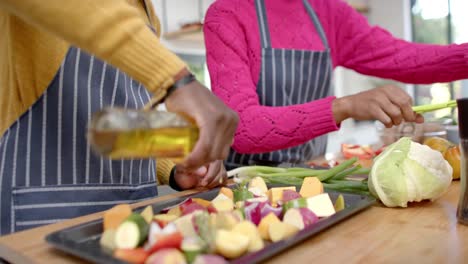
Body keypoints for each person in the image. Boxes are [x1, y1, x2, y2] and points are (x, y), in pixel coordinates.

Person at [0, 0, 238, 235]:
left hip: (133, 221)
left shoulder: (145, 12)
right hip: (44, 224)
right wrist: (175, 79)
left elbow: (118, 129)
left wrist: (176, 168)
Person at [204, 0, 468, 169]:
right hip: (243, 185)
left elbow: (406, 58)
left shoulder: (329, 13)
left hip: (311, 176)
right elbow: (242, 129)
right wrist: (346, 106)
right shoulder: (227, 14)